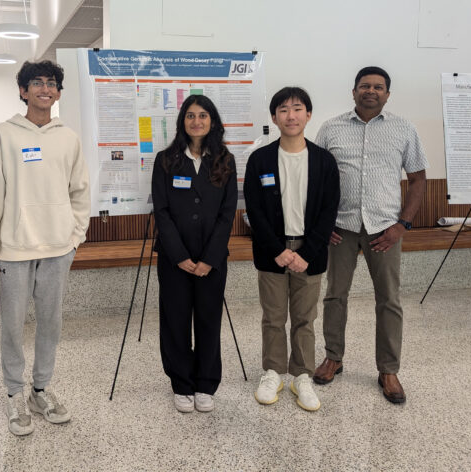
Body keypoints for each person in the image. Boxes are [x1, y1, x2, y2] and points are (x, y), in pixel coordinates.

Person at [0, 60, 90, 436]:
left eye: (52, 83)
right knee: (12, 325)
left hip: (58, 248)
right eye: (37, 83)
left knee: (51, 322)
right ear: (23, 90)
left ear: (58, 92)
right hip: (13, 251)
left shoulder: (67, 137)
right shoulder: (3, 135)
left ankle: (40, 390)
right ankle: (14, 394)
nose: (45, 89)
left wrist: (75, 237)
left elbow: (80, 193)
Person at [312, 66, 427, 404]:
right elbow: (316, 177)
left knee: (388, 300)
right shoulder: (331, 128)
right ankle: (333, 357)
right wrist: (323, 223)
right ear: (353, 92)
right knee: (335, 295)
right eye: (364, 86)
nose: (371, 91)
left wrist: (402, 225)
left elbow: (419, 179)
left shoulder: (403, 128)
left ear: (387, 94)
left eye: (378, 87)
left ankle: (388, 370)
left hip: (385, 229)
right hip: (341, 227)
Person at [244, 87, 340, 412]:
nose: (291, 116)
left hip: (309, 251)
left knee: (304, 318)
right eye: (283, 110)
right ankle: (273, 372)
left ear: (309, 115)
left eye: (297, 109)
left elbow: (329, 211)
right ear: (274, 117)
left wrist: (306, 253)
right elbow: (255, 211)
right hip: (272, 250)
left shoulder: (324, 161)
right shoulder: (260, 159)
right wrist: (277, 250)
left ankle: (302, 375)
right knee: (272, 316)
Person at [151, 94, 237, 413]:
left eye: (203, 115)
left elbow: (227, 214)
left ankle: (205, 383)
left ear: (212, 121)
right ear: (182, 121)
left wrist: (209, 259)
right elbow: (161, 211)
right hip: (175, 259)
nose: (196, 121)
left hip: (211, 260)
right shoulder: (166, 160)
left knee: (208, 319)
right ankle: (181, 383)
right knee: (175, 320)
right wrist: (179, 256)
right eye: (190, 115)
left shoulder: (224, 160)